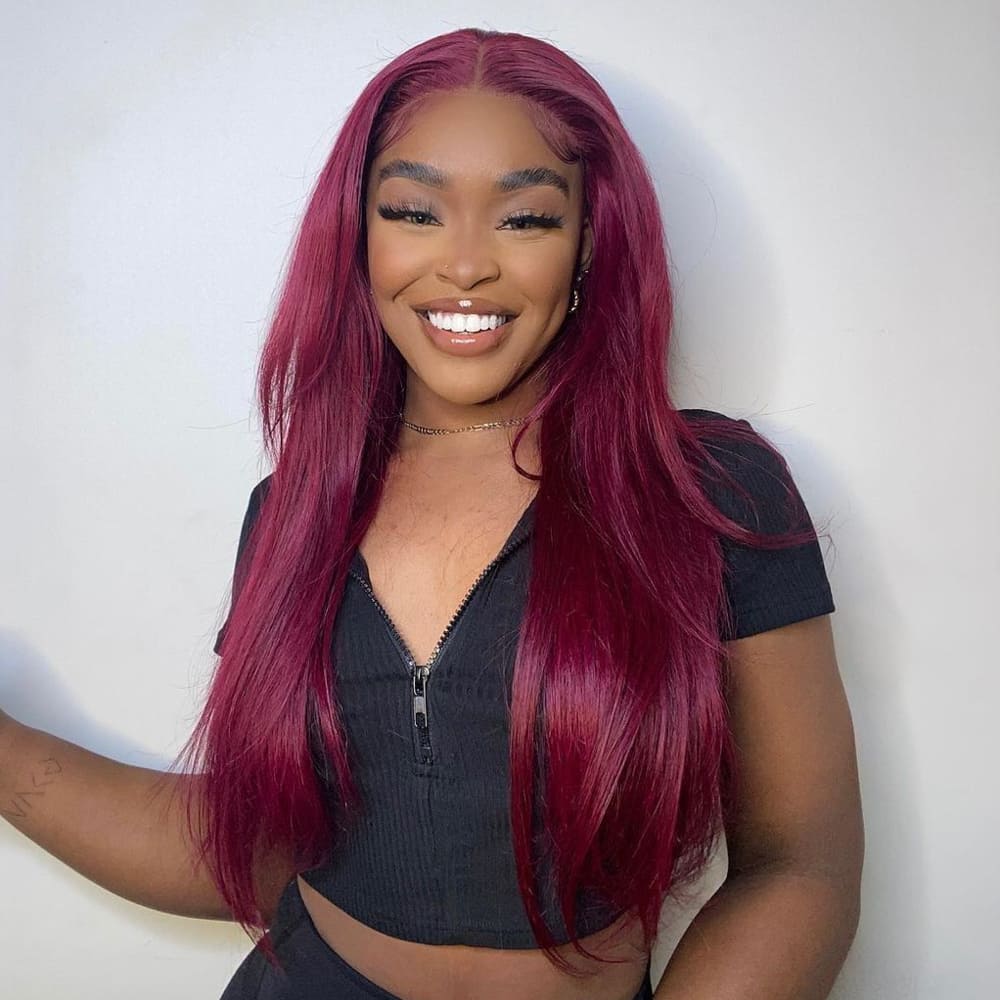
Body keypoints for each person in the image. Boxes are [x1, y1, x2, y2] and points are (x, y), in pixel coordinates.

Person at [1, 27, 864, 1000]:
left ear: (590, 242)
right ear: (359, 237)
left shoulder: (712, 490)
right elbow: (254, 854)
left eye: (524, 219)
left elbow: (801, 863)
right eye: (414, 210)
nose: (463, 265)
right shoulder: (292, 515)